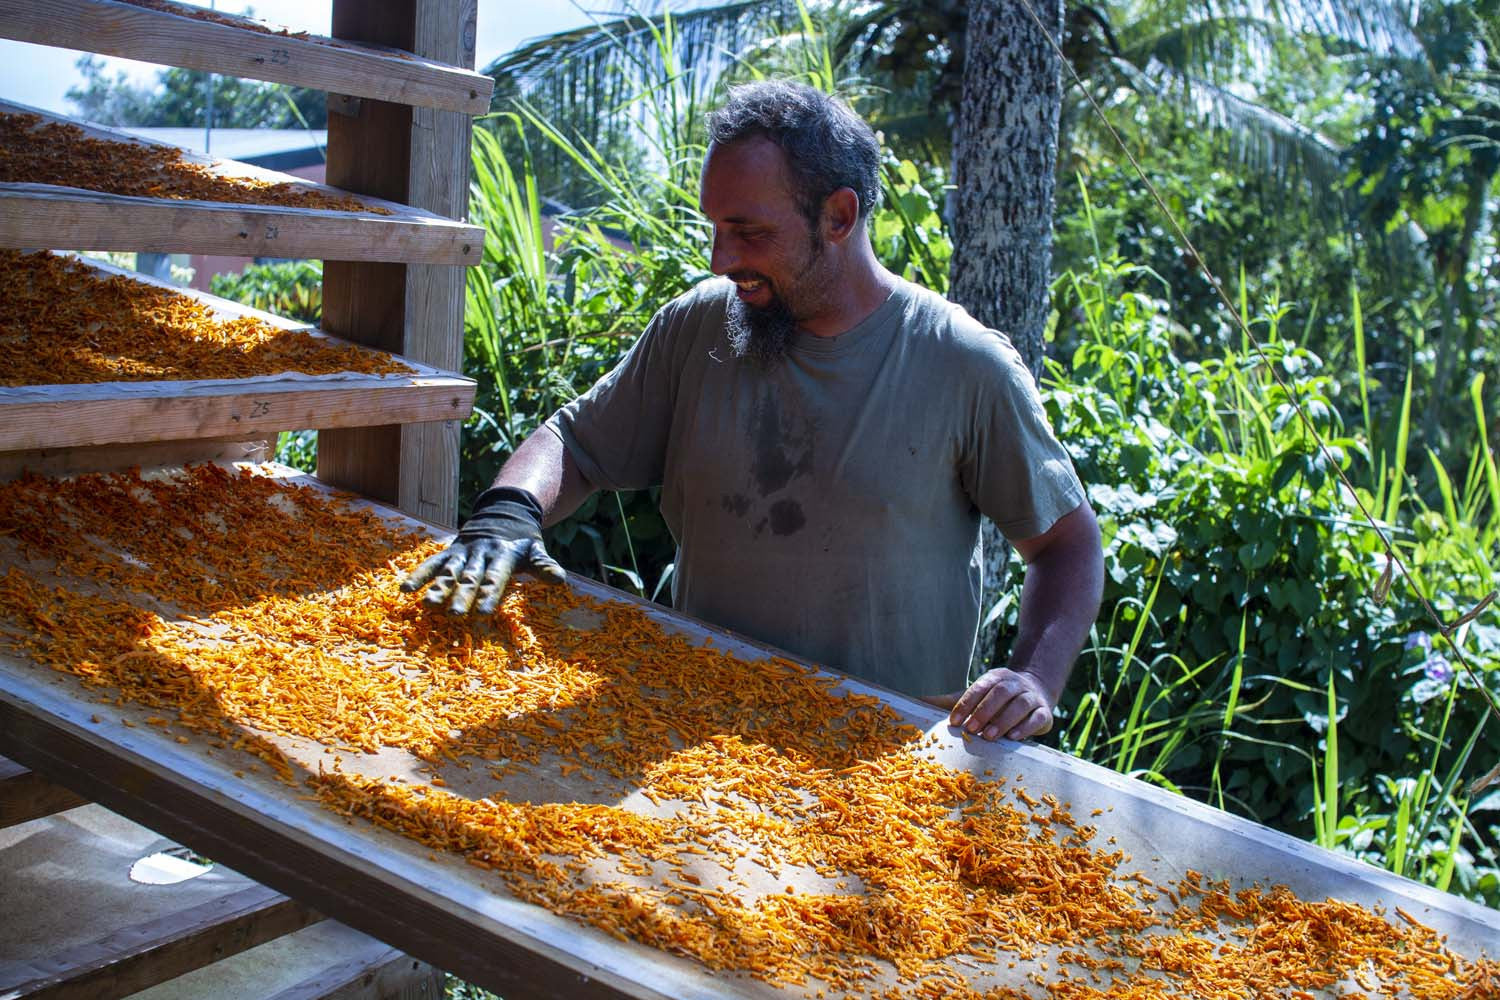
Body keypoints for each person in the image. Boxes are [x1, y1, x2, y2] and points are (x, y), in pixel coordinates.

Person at [404, 80, 1103, 743]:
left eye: (749, 233)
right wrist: (508, 512)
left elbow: (1067, 545)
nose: (720, 258)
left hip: (878, 758)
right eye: (715, 228)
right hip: (694, 731)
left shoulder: (962, 365)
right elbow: (575, 442)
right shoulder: (699, 328)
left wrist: (1036, 679)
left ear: (838, 216)